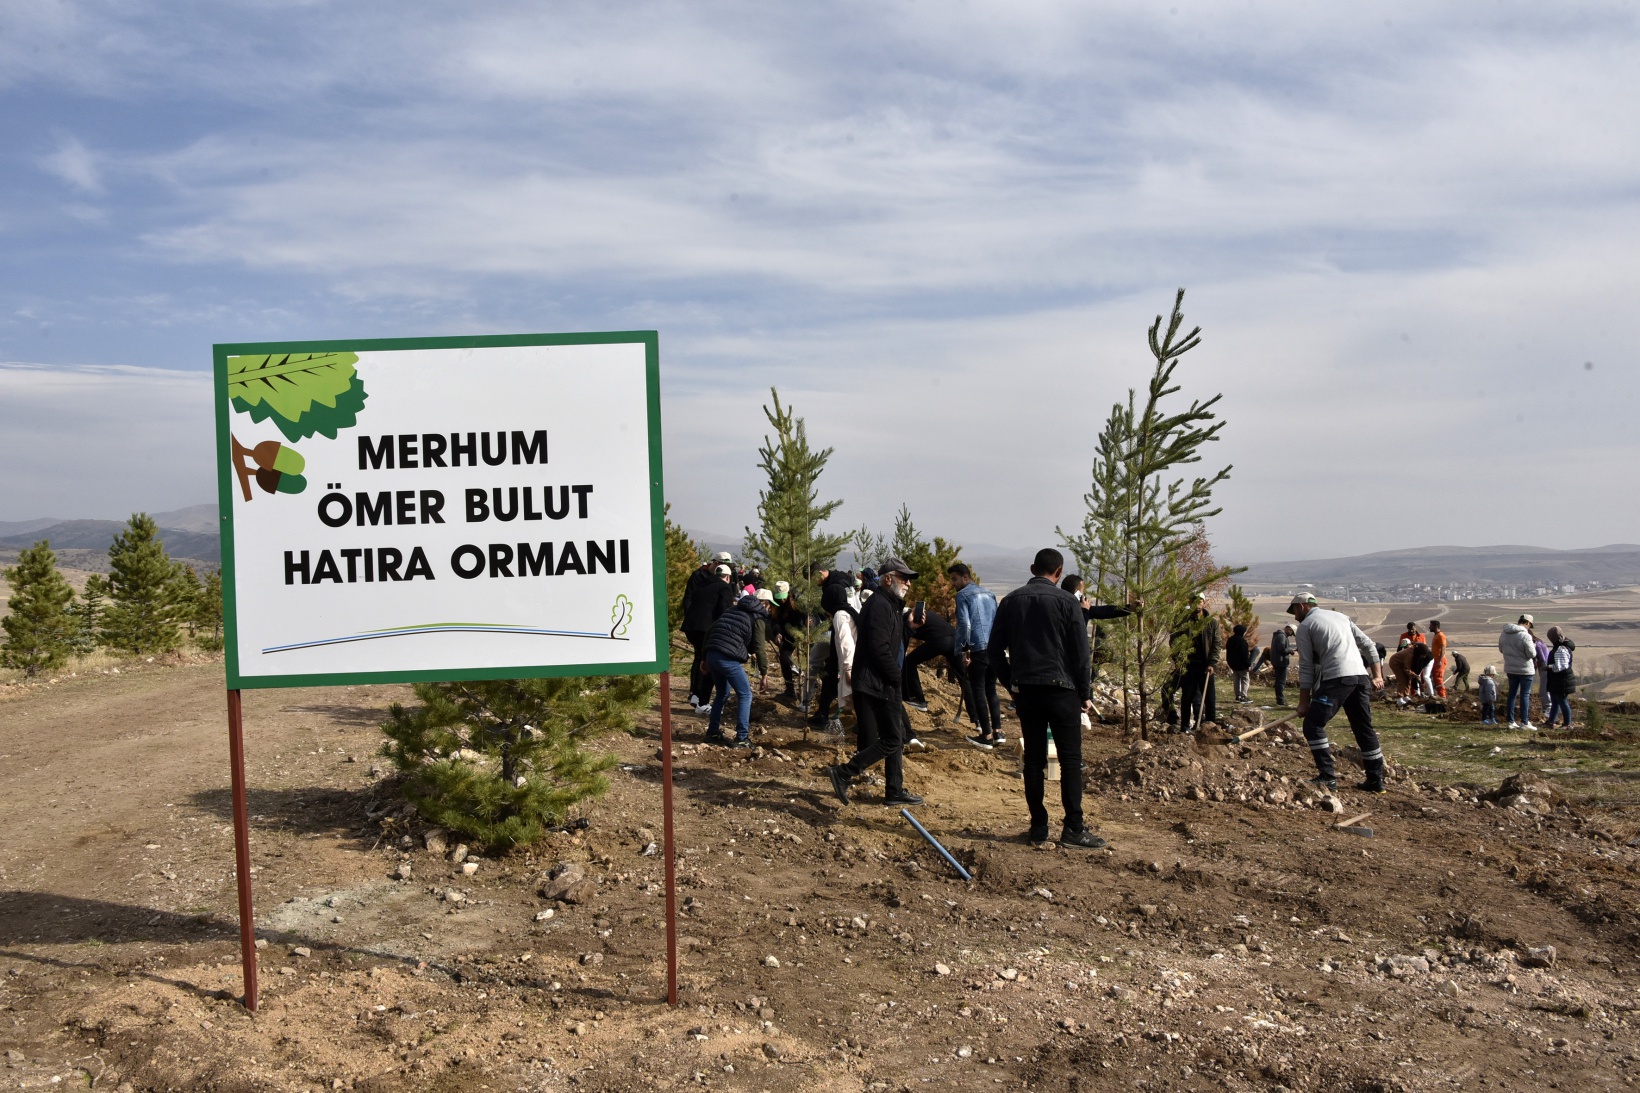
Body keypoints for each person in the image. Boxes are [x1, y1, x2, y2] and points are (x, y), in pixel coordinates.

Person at [985, 548, 1109, 848]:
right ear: (1059, 572)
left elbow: (994, 651)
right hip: (1061, 690)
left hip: (1026, 691)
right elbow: (1081, 654)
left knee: (1034, 762)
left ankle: (1039, 827)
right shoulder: (1068, 601)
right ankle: (1073, 830)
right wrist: (1084, 692)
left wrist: (1012, 682)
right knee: (1070, 760)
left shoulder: (1011, 601)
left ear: (1032, 568)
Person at [827, 558, 922, 807]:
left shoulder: (888, 603)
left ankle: (894, 790)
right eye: (904, 577)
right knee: (892, 738)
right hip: (879, 682)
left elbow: (893, 641)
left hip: (879, 680)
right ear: (888, 578)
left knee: (895, 736)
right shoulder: (880, 605)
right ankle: (844, 772)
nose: (909, 583)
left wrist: (909, 627)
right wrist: (895, 678)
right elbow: (880, 650)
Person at [1289, 593, 1387, 793]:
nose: (1295, 617)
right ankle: (1376, 781)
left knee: (1313, 725)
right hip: (1360, 677)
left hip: (1337, 679)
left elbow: (1306, 666)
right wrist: (1377, 676)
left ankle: (1327, 777)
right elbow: (1369, 645)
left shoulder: (1306, 627)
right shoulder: (1342, 617)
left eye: (1295, 612)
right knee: (1363, 728)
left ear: (1301, 606)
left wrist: (1304, 702)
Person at [702, 590, 769, 747]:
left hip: (712, 654)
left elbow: (710, 631)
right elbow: (760, 648)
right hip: (727, 658)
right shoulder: (758, 619)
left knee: (722, 693)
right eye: (769, 606)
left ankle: (712, 732)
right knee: (745, 694)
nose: (769, 610)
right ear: (764, 604)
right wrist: (764, 673)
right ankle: (742, 737)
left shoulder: (732, 610)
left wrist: (704, 658)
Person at [950, 563, 1005, 750]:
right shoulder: (989, 594)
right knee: (991, 689)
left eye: (955, 579)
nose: (953, 584)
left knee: (979, 690)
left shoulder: (962, 595)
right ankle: (998, 732)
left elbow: (964, 624)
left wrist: (964, 649)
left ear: (966, 577)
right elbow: (997, 620)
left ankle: (986, 735)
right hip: (993, 648)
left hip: (977, 648)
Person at [681, 561, 736, 712]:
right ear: (726, 577)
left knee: (700, 658)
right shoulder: (724, 587)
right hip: (705, 629)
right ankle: (703, 702)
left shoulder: (703, 584)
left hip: (691, 627)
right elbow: (725, 611)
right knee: (709, 663)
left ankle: (696, 695)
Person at [810, 570, 859, 732]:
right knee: (831, 679)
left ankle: (866, 728)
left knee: (856, 693)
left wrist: (848, 668)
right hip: (847, 659)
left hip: (850, 661)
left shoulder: (840, 615)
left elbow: (847, 644)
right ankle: (823, 713)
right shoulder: (850, 610)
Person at [901, 601, 969, 716]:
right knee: (963, 678)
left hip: (940, 641)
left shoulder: (907, 618)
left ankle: (918, 700)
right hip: (954, 641)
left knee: (909, 662)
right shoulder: (922, 614)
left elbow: (903, 642)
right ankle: (977, 718)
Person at [1179, 593, 1221, 732]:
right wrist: (1179, 660)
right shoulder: (1183, 622)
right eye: (1193, 600)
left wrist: (1212, 663)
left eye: (1199, 601)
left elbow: (1216, 644)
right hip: (1189, 665)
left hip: (1206, 665)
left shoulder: (1212, 622)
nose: (1196, 604)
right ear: (1189, 602)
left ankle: (1210, 727)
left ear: (1204, 603)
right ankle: (1184, 726)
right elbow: (1174, 641)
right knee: (1187, 697)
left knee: (1209, 698)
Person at [1498, 614, 1538, 729]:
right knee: (1524, 695)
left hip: (1511, 668)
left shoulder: (1505, 633)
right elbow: (1532, 654)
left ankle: (1511, 722)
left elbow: (1501, 649)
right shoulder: (1525, 635)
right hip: (1525, 670)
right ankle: (1524, 722)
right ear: (1528, 623)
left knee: (1512, 695)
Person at [768, 581, 802, 702]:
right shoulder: (776, 603)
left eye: (783, 598)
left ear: (788, 593)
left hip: (801, 632)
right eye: (779, 598)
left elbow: (807, 618)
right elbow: (775, 620)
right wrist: (777, 632)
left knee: (811, 661)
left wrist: (803, 630)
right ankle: (790, 690)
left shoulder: (798, 601)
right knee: (784, 658)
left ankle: (810, 691)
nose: (782, 601)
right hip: (786, 634)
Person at [1544, 627, 1577, 730]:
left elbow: (1561, 666)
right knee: (1555, 701)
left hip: (1562, 680)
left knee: (1562, 701)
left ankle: (1567, 724)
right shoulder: (1560, 647)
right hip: (1558, 680)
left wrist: (1548, 667)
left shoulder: (1561, 649)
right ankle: (1551, 721)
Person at [1267, 624, 1295, 706]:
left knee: (1279, 681)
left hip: (1277, 661)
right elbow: (1282, 649)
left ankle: (1280, 699)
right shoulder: (1282, 636)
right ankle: (1280, 701)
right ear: (1289, 629)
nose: (1291, 635)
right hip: (1281, 662)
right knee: (1281, 682)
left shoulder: (1278, 635)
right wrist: (1290, 650)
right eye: (1291, 633)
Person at [1226, 623, 1253, 703]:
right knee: (1245, 680)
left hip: (1233, 664)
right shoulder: (1242, 642)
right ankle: (1243, 696)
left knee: (1236, 680)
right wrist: (1248, 664)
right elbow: (1244, 655)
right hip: (1241, 665)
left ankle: (1237, 696)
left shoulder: (1230, 640)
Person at [1428, 620, 1448, 700]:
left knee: (1438, 678)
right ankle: (1439, 695)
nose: (1429, 627)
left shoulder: (1440, 636)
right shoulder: (1436, 635)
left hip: (1439, 660)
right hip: (1436, 659)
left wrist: (1439, 660)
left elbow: (1443, 647)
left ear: (1435, 626)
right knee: (1435, 678)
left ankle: (1443, 696)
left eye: (1431, 626)